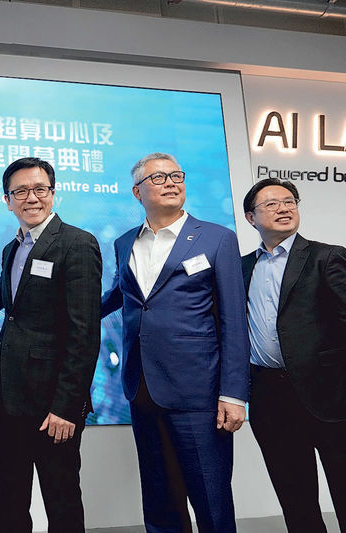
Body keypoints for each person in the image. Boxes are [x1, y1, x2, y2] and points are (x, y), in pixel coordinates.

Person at [0, 157, 101, 533]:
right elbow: (2, 295)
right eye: (21, 191)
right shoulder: (12, 248)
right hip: (5, 392)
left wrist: (66, 406)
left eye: (40, 189)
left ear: (52, 193)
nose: (32, 197)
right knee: (5, 497)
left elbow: (84, 333)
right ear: (8, 200)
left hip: (52, 402)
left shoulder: (77, 243)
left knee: (61, 499)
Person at [100, 153, 249, 533]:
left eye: (176, 175)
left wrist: (234, 393)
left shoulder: (217, 238)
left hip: (198, 392)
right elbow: (121, 295)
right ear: (137, 192)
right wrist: (63, 310)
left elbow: (234, 320)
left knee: (211, 500)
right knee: (160, 500)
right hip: (142, 388)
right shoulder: (124, 242)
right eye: (158, 177)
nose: (170, 182)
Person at [241, 178, 346, 533]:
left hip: (330, 397)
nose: (284, 208)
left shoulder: (326, 257)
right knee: (296, 502)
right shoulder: (242, 268)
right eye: (271, 204)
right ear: (251, 217)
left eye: (289, 201)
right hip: (271, 399)